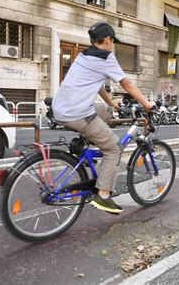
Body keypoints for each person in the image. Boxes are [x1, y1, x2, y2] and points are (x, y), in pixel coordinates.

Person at [52, 22, 155, 214]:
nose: (113, 44)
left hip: (60, 108)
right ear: (108, 40)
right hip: (77, 112)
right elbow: (127, 84)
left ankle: (86, 148)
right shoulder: (107, 57)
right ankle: (104, 196)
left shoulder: (84, 55)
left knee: (104, 113)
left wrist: (109, 102)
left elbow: (97, 83)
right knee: (114, 148)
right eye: (113, 41)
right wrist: (147, 104)